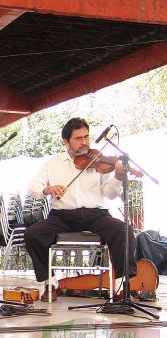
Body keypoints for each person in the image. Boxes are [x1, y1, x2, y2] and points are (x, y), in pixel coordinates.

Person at [24, 117, 137, 301]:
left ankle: (121, 287)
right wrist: (48, 189)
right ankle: (51, 284)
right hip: (62, 216)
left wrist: (117, 176)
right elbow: (32, 186)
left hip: (96, 214)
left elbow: (109, 194)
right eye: (79, 138)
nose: (85, 142)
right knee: (32, 234)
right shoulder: (51, 164)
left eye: (86, 137)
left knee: (123, 229)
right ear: (66, 141)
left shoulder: (99, 162)